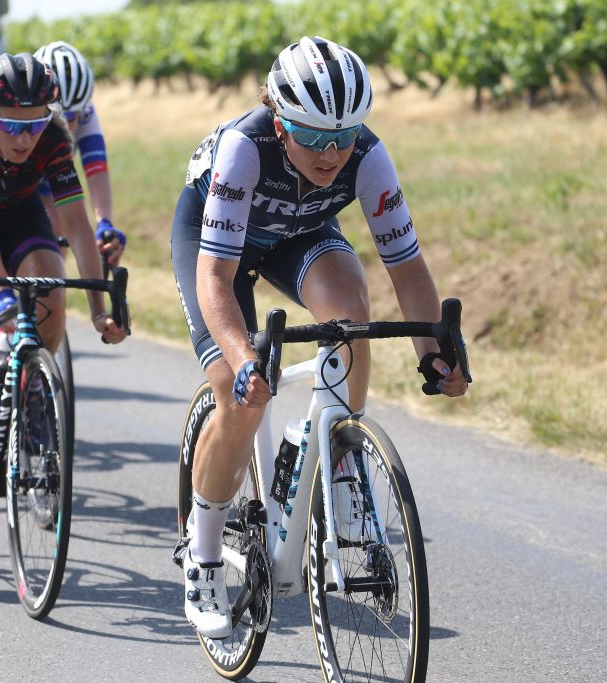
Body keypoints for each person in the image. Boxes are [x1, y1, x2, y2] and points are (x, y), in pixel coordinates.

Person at [170, 36, 468, 639]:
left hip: (296, 234)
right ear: (280, 124)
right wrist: (242, 357)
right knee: (237, 392)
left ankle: (337, 448)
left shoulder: (368, 155)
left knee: (350, 308)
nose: (332, 153)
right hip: (218, 243)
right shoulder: (242, 151)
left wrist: (437, 355)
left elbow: (406, 269)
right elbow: (216, 278)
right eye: (314, 139)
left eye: (344, 137)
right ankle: (201, 560)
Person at [0, 52, 126, 531]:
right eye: (12, 126)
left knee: (52, 296)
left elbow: (76, 225)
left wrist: (99, 311)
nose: (25, 137)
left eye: (34, 125)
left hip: (18, 216)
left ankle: (31, 385)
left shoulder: (53, 136)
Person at [33, 41, 125, 263]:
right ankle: (5, 294)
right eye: (54, 115)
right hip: (19, 177)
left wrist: (104, 223)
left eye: (70, 118)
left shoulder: (86, 112)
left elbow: (97, 170)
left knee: (60, 229)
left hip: (52, 179)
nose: (62, 125)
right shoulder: (24, 111)